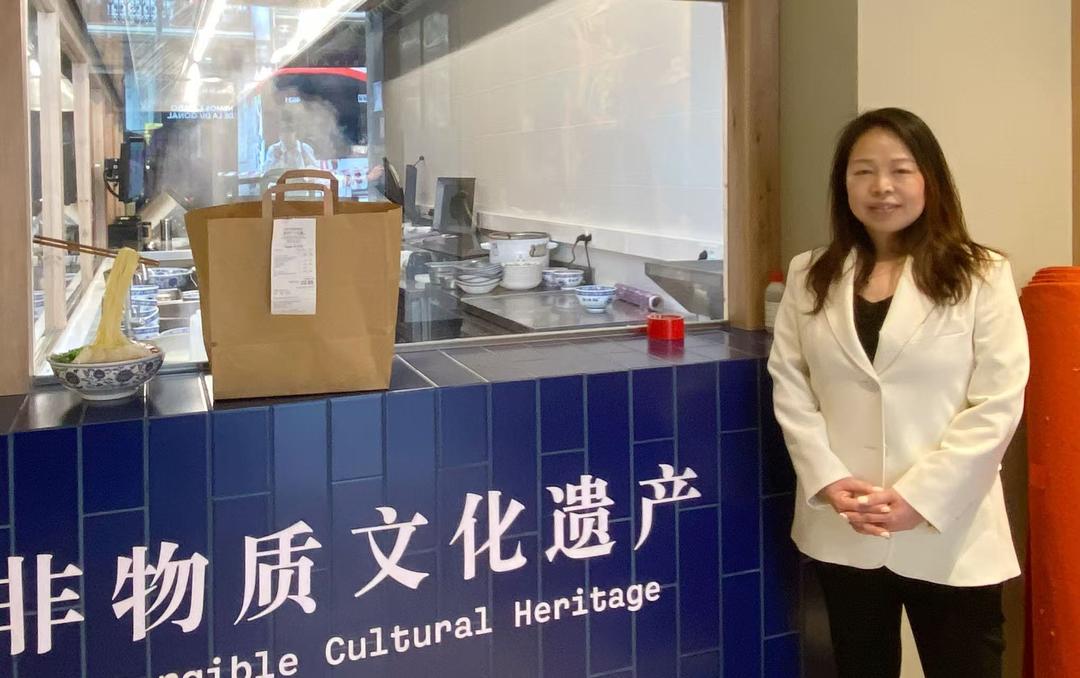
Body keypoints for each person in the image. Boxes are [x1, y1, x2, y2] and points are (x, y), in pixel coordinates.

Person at [767, 107, 1029, 678]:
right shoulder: (810, 273)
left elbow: (998, 401)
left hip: (950, 527)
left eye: (900, 170)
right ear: (844, 185)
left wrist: (921, 497)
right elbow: (791, 385)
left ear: (929, 179)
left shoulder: (982, 274)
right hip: (846, 524)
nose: (881, 186)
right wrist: (828, 479)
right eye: (863, 171)